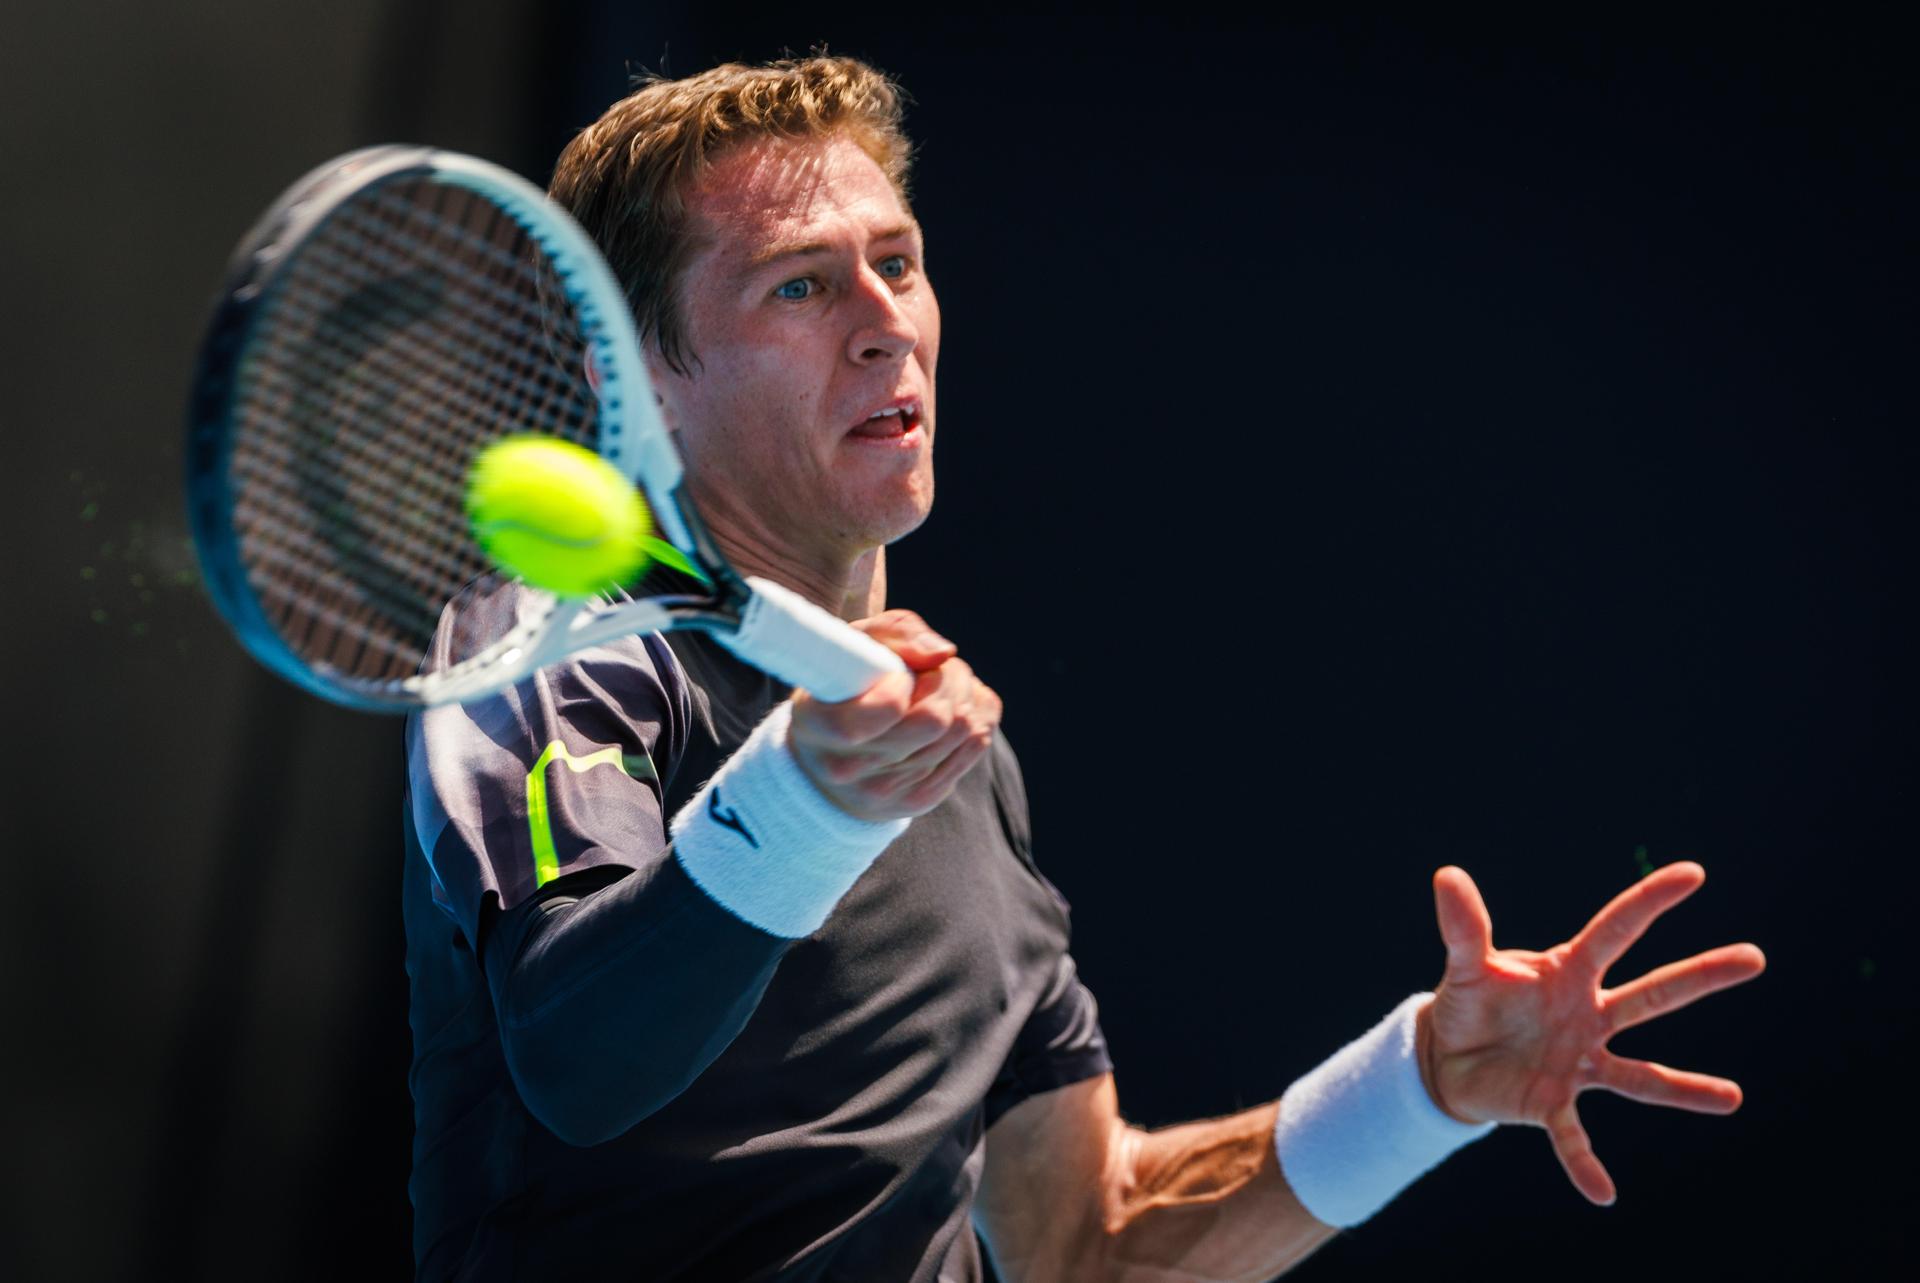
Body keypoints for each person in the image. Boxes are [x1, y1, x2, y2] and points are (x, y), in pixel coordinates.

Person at [402, 55, 1766, 1282]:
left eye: (901, 262)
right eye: (802, 284)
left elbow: (1082, 1243)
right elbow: (577, 1061)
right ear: (634, 376)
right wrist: (810, 808)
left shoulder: (960, 766)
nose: (887, 324)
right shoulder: (559, 645)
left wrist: (1420, 1089)